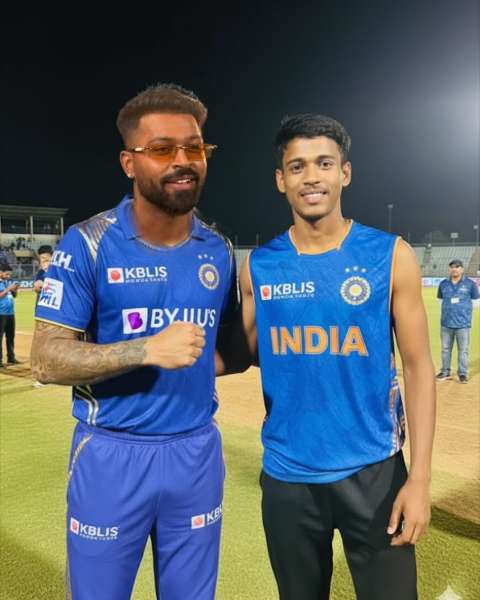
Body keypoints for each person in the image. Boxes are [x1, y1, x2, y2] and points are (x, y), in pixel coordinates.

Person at [31, 83, 237, 600]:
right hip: (111, 455)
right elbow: (45, 359)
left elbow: (227, 351)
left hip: (196, 454)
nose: (183, 161)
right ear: (129, 162)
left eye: (195, 148)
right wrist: (146, 349)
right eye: (162, 149)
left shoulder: (218, 249)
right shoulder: (88, 242)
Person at [217, 114, 436, 600]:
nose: (311, 177)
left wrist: (420, 479)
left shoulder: (390, 255)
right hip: (287, 479)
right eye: (297, 167)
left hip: (375, 474)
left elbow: (419, 368)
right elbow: (237, 354)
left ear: (345, 173)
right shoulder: (260, 266)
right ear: (281, 180)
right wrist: (143, 350)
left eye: (324, 163)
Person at [436, 259, 479, 383]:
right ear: (449, 269)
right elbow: (440, 301)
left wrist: (463, 311)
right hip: (446, 323)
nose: (454, 269)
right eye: (452, 267)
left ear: (462, 269)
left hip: (463, 324)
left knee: (463, 350)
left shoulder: (470, 284)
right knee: (445, 349)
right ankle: (445, 372)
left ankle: (462, 374)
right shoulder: (443, 284)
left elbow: (476, 302)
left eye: (457, 267)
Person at [0, 263, 20, 367]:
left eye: (9, 274)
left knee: (10, 337)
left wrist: (14, 290)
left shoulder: (8, 282)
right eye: (7, 274)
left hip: (10, 313)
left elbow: (14, 296)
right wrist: (9, 288)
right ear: (1, 272)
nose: (8, 276)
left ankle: (11, 358)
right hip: (1, 314)